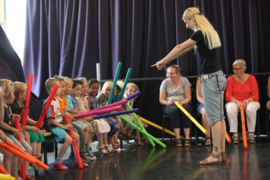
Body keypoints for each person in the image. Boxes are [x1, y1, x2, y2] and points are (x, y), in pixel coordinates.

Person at [152, 7, 227, 164]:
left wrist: (161, 60)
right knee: (219, 117)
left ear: (192, 19)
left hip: (210, 78)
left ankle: (215, 154)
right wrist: (166, 62)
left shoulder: (199, 32)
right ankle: (221, 152)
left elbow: (180, 46)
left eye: (186, 22)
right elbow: (184, 50)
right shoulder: (209, 32)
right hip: (219, 77)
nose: (186, 26)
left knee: (214, 118)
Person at [44, 78, 88, 170]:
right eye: (60, 87)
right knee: (68, 139)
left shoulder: (58, 100)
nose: (62, 89)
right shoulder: (49, 102)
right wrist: (63, 126)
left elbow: (60, 113)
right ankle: (58, 161)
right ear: (53, 89)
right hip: (53, 126)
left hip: (60, 124)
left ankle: (77, 159)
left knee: (76, 136)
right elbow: (51, 120)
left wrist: (65, 114)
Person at [0, 79, 33, 179]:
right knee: (14, 152)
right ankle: (11, 175)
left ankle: (15, 174)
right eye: (13, 94)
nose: (14, 97)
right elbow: (1, 122)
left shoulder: (8, 107)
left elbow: (6, 120)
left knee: (26, 150)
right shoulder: (2, 105)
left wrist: (15, 118)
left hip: (9, 132)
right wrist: (14, 129)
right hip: (6, 133)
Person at [10, 81, 44, 170]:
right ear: (20, 95)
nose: (29, 94)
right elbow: (15, 122)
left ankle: (37, 157)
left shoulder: (22, 104)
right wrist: (32, 127)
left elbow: (27, 118)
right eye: (27, 92)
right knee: (30, 134)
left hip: (22, 128)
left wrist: (36, 123)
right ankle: (31, 157)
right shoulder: (13, 106)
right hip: (16, 128)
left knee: (39, 134)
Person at [225, 59, 260, 144]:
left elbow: (255, 96)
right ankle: (235, 134)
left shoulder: (251, 78)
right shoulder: (230, 79)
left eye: (237, 69)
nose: (235, 71)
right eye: (234, 69)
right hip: (235, 101)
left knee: (250, 109)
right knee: (230, 109)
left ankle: (251, 134)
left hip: (250, 101)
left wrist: (246, 101)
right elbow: (228, 96)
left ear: (244, 69)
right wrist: (237, 101)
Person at [159, 65, 192, 147]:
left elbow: (189, 97)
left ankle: (187, 138)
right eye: (168, 73)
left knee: (186, 109)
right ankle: (177, 138)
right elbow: (161, 100)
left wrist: (182, 103)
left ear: (178, 74)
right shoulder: (165, 82)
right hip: (170, 105)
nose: (169, 75)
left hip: (183, 103)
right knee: (174, 110)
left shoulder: (184, 81)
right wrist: (167, 103)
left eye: (172, 73)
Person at [86, 79, 111, 154]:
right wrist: (96, 115)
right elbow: (89, 110)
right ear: (88, 87)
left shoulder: (95, 97)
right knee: (99, 125)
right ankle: (100, 145)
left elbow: (98, 108)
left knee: (105, 123)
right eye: (93, 88)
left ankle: (105, 143)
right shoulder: (88, 98)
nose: (95, 90)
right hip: (92, 117)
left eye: (97, 88)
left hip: (97, 116)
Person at [196, 77, 212, 146]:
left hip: (215, 103)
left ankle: (217, 137)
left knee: (216, 112)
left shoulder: (217, 77)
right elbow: (199, 97)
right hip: (203, 103)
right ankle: (208, 137)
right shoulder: (200, 79)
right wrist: (206, 103)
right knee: (205, 112)